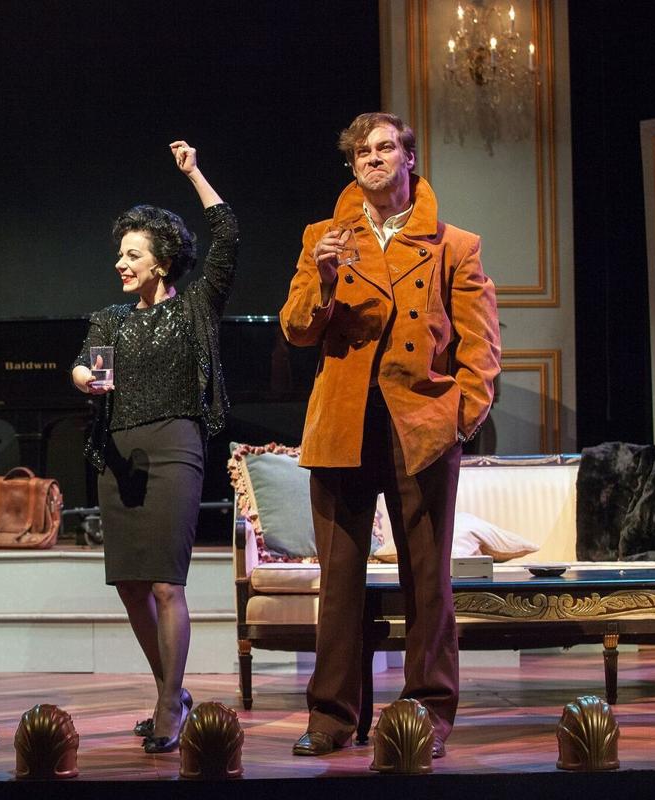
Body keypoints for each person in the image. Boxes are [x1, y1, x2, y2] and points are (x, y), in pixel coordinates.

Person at [279, 113, 500, 759]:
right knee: (340, 580)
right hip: (344, 424)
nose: (372, 160)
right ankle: (332, 717)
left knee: (427, 582)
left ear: (409, 160)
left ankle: (426, 712)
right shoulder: (323, 237)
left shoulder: (454, 244)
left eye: (385, 149)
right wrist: (320, 280)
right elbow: (296, 330)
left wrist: (462, 415)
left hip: (421, 427)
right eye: (362, 152)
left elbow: (480, 345)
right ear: (352, 166)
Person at [71, 141, 237, 754]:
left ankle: (169, 700)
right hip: (116, 456)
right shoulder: (109, 319)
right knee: (131, 584)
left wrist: (195, 173)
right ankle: (171, 689)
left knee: (167, 582)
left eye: (132, 253)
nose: (121, 261)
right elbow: (85, 368)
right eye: (119, 253)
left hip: (174, 450)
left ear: (161, 262)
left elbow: (227, 232)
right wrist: (83, 378)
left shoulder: (196, 306)